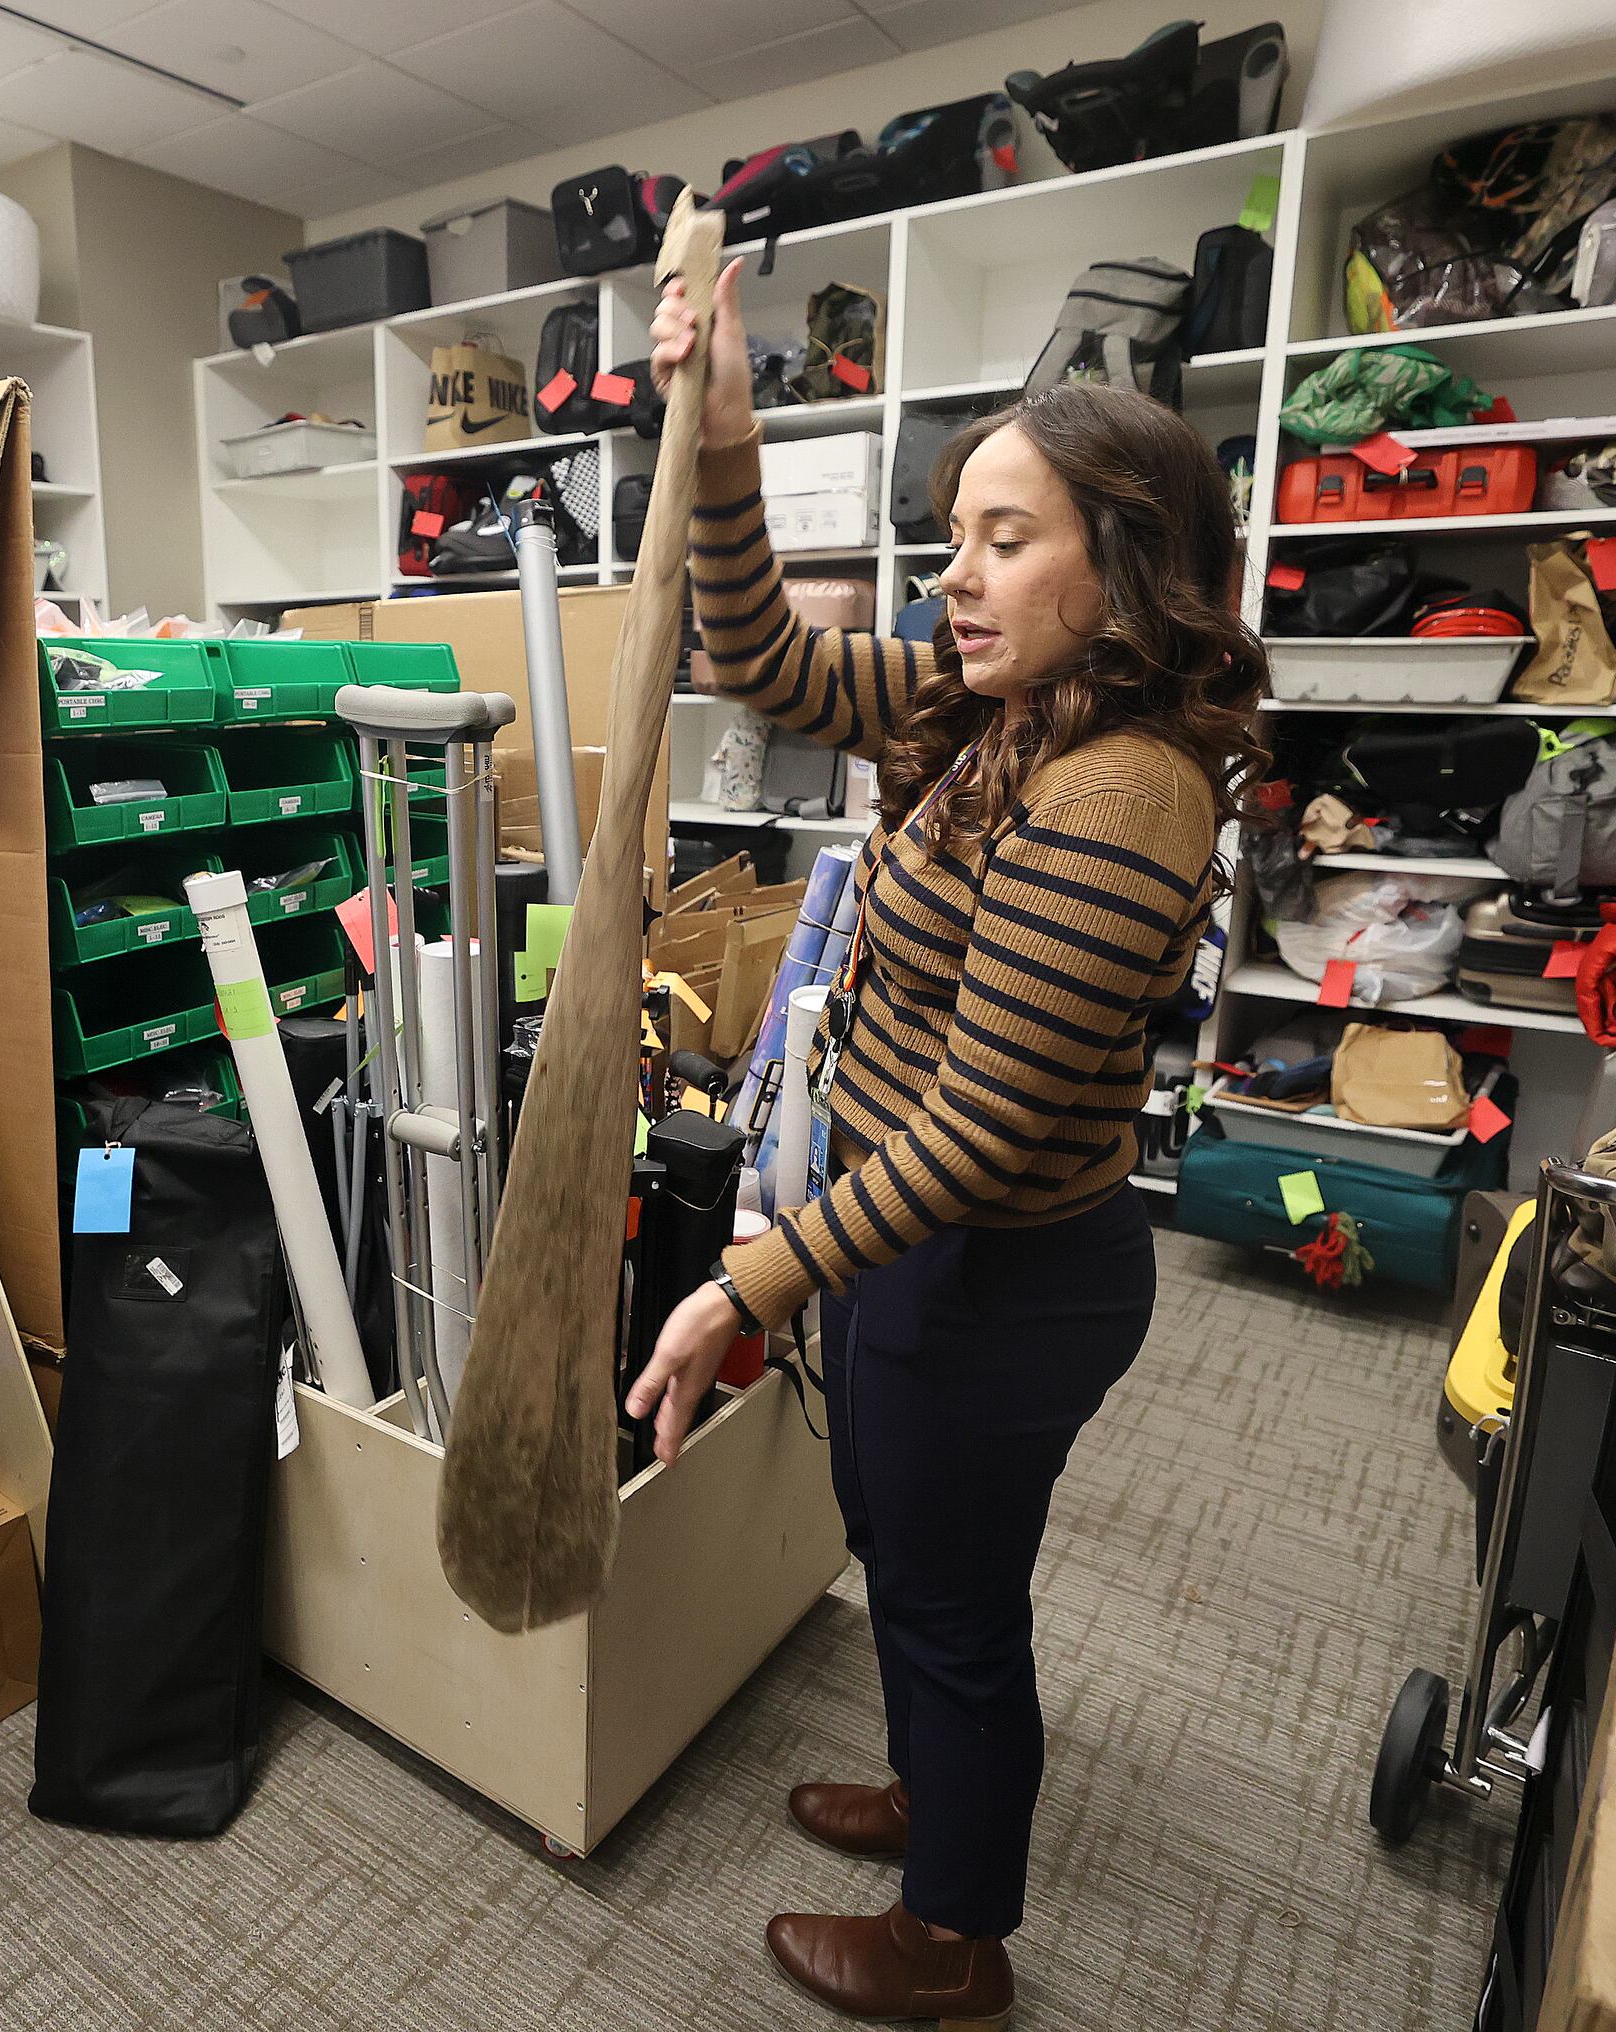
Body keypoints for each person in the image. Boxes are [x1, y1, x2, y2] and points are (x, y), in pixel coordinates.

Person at [624, 259, 1267, 2027]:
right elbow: (759, 661)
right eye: (952, 537)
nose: (956, 577)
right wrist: (731, 434)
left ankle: (954, 1936)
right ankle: (934, 1790)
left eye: (1005, 539)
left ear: (1124, 565)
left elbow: (982, 1130)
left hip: (1000, 1270)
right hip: (917, 1248)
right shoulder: (1005, 698)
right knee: (905, 1550)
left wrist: (748, 1278)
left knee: (952, 1597)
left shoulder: (1119, 784)